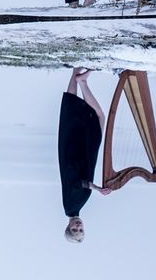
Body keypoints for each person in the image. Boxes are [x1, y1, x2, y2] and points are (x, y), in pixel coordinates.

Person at [59, 67, 112, 242]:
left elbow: (77, 184)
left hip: (77, 156)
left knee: (97, 118)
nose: (78, 226)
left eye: (74, 230)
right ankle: (77, 73)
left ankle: (81, 80)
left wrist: (96, 188)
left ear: (68, 227)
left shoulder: (70, 207)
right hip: (83, 157)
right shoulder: (76, 208)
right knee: (75, 114)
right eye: (81, 230)